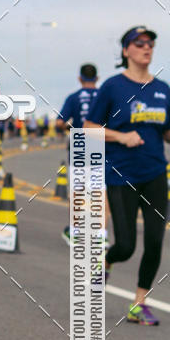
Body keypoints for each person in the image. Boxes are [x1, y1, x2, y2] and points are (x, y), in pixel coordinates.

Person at [85, 26, 170, 325]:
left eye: (150, 43)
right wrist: (120, 137)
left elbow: (169, 132)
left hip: (154, 173)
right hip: (120, 174)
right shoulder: (113, 87)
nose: (146, 48)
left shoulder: (163, 89)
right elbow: (88, 128)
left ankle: (139, 303)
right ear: (126, 51)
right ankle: (108, 261)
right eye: (139, 43)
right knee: (126, 245)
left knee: (154, 241)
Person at [57, 63, 102, 246]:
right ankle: (97, 232)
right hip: (100, 143)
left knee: (78, 190)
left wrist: (72, 127)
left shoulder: (74, 98)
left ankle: (75, 231)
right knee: (98, 190)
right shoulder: (103, 95)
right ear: (97, 78)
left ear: (80, 79)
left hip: (79, 145)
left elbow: (59, 123)